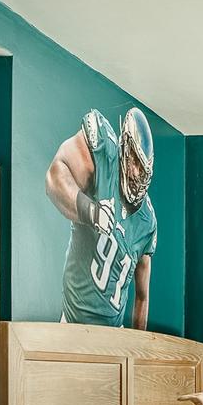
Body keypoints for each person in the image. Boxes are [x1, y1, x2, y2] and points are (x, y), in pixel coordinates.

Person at [48, 107, 156, 328]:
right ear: (124, 148)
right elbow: (55, 176)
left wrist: (139, 349)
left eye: (142, 169)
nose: (136, 173)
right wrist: (92, 212)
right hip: (73, 324)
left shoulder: (147, 222)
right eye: (134, 161)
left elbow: (142, 296)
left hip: (112, 337)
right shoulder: (104, 157)